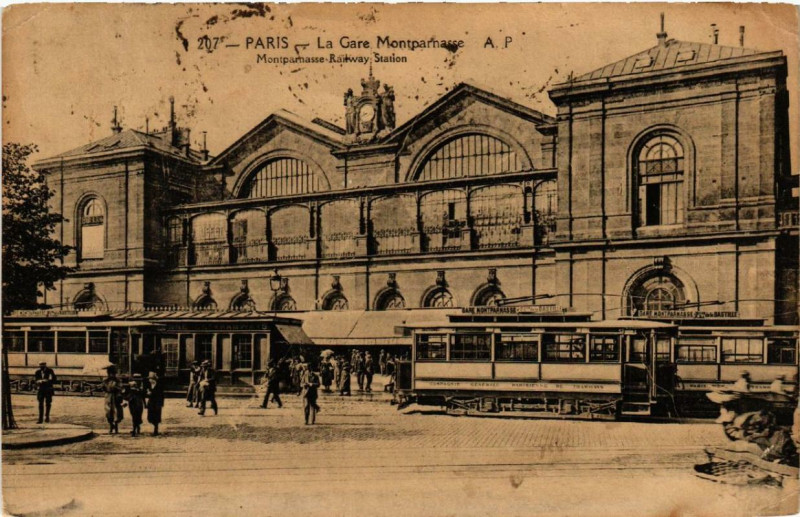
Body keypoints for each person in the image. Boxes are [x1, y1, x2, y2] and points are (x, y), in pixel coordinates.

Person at [102, 365, 125, 434]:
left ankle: (116, 427)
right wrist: (104, 387)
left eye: (112, 374)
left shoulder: (118, 381)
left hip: (116, 398)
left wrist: (116, 388)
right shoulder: (105, 380)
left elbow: (121, 388)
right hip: (108, 398)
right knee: (108, 413)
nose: (111, 375)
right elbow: (105, 390)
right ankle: (111, 426)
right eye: (109, 374)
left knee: (116, 413)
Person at [146, 371, 164, 436]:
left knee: (156, 416)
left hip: (157, 403)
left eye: (150, 379)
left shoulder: (159, 385)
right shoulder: (149, 385)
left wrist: (161, 404)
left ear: (153, 379)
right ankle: (155, 427)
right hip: (151, 403)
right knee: (150, 417)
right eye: (149, 379)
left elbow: (161, 395)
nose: (149, 380)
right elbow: (147, 393)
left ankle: (155, 430)